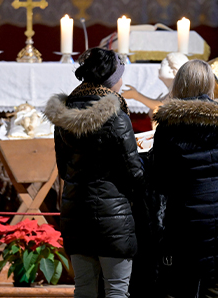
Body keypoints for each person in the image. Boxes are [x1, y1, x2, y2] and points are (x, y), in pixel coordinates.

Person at [44, 48, 145, 298]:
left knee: (84, 289)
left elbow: (64, 167)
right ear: (112, 79)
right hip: (114, 216)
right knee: (116, 289)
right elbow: (134, 174)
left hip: (76, 211)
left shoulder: (64, 114)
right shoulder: (117, 117)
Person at [151, 60, 218, 298]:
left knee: (180, 285)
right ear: (210, 84)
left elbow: (161, 178)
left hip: (185, 214)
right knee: (216, 287)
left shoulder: (169, 124)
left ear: (180, 84)